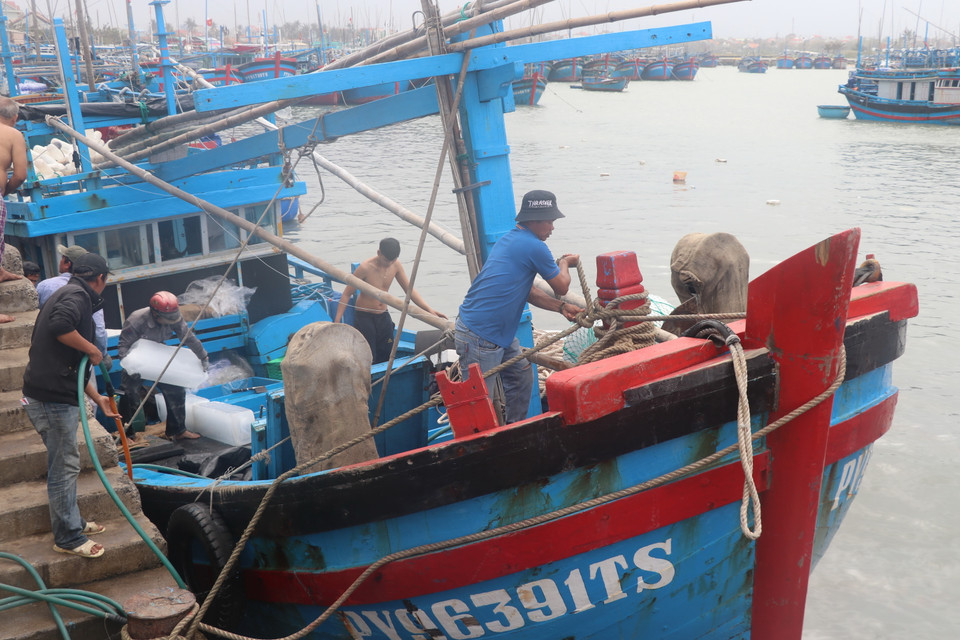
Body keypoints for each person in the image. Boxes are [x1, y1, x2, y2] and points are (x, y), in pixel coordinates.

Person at [21, 252, 119, 559]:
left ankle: (73, 522)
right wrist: (94, 350)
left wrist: (96, 397)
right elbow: (60, 326)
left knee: (65, 464)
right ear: (101, 279)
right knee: (64, 467)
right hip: (50, 399)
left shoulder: (71, 291)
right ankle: (68, 538)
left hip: (54, 392)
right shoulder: (77, 296)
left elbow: (70, 366)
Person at [455, 190, 583, 424]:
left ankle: (513, 428)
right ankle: (477, 447)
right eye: (550, 221)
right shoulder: (535, 246)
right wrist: (564, 263)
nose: (553, 228)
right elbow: (562, 285)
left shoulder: (510, 238)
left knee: (522, 375)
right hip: (480, 335)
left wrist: (561, 307)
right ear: (534, 221)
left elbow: (529, 291)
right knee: (476, 404)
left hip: (497, 334)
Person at [334, 237, 447, 363]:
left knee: (387, 351)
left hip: (383, 315)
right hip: (365, 317)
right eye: (386, 260)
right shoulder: (365, 268)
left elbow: (410, 291)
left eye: (392, 260)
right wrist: (338, 320)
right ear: (379, 253)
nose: (389, 264)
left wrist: (430, 310)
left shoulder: (396, 265)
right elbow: (347, 294)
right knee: (369, 354)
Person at [117, 291, 208, 441]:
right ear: (155, 314)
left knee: (176, 389)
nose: (171, 322)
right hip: (136, 359)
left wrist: (203, 356)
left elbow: (188, 338)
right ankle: (127, 435)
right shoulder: (136, 320)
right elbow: (123, 347)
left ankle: (177, 430)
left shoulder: (175, 318)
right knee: (129, 394)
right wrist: (130, 367)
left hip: (158, 357)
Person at [38, 245, 108, 357]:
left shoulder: (45, 285)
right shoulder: (80, 294)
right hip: (66, 364)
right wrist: (96, 352)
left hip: (47, 357)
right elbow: (59, 324)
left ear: (67, 263)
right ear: (100, 278)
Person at [0, 96, 28, 323]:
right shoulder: (13, 134)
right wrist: (5, 190)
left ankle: (0, 271)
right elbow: (20, 175)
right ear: (15, 117)